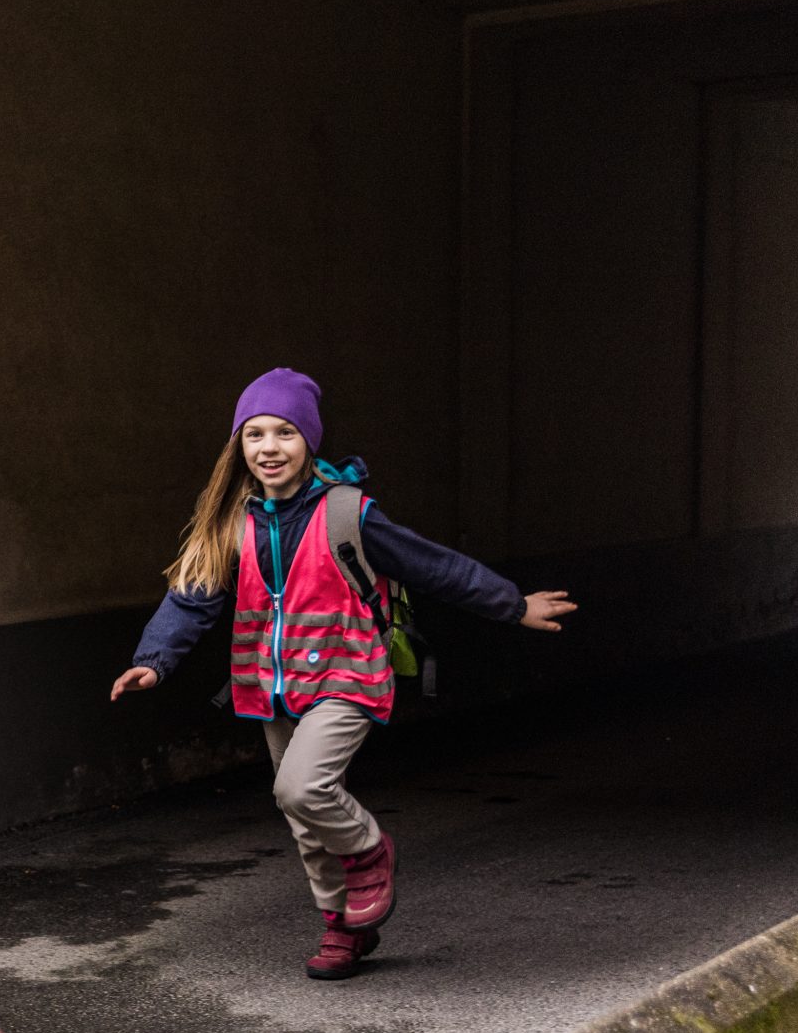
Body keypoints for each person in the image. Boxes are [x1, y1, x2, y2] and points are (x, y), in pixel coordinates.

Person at [109, 368, 575, 979]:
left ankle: (368, 850)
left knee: (301, 788)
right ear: (238, 446)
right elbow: (192, 598)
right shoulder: (231, 523)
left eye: (284, 432)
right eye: (254, 434)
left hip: (345, 673)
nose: (269, 447)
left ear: (309, 441)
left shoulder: (346, 512)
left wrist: (513, 604)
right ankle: (343, 928)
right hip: (269, 681)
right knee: (302, 818)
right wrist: (153, 661)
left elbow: (433, 565)